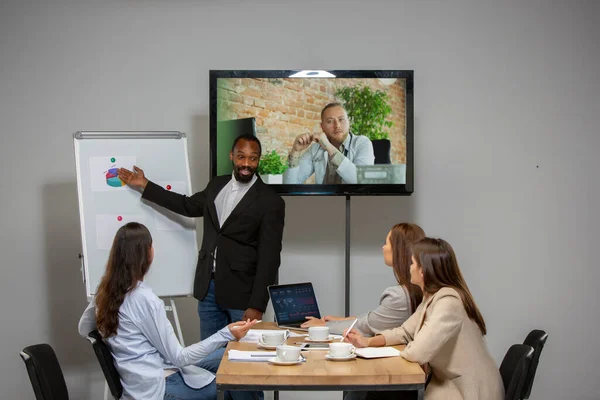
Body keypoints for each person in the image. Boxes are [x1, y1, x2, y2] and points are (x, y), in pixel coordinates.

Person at [117, 134, 285, 340]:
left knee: (240, 359)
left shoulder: (271, 201)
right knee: (207, 356)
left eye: (253, 158)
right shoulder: (216, 185)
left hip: (243, 295)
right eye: (241, 157)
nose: (247, 164)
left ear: (259, 160)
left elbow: (270, 259)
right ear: (232, 156)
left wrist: (257, 305)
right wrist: (145, 184)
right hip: (208, 290)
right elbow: (186, 206)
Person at [78, 222, 261, 400]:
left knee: (228, 355)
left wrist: (126, 344)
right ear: (148, 253)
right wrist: (226, 332)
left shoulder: (103, 292)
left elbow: (84, 329)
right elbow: (180, 357)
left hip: (144, 376)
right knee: (237, 383)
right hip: (158, 387)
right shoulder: (144, 299)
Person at [345, 238, 504, 400]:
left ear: (423, 270)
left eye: (412, 263)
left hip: (466, 390)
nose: (409, 268)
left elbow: (418, 352)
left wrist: (402, 349)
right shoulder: (432, 298)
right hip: (447, 382)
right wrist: (368, 342)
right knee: (370, 394)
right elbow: (404, 332)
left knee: (373, 395)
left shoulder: (448, 301)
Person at [301, 223, 425, 336]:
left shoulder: (399, 296)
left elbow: (368, 326)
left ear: (398, 250)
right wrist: (342, 320)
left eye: (386, 243)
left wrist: (323, 326)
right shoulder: (416, 289)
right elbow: (373, 318)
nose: (383, 247)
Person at [283, 102, 374, 184]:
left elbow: (361, 181)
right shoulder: (315, 149)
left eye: (341, 119)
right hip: (323, 201)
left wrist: (328, 146)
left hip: (352, 201)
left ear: (349, 122)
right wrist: (295, 151)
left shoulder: (362, 143)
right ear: (322, 126)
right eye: (330, 121)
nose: (337, 125)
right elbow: (289, 184)